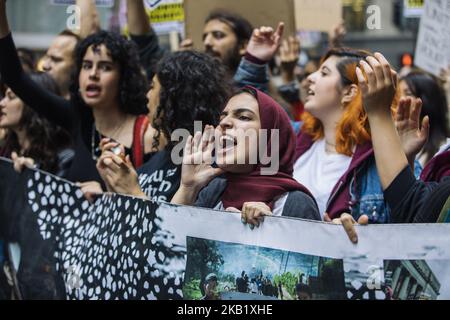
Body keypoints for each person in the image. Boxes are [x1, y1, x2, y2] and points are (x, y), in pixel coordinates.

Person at [0, 1, 151, 186]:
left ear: (124, 78)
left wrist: (105, 197)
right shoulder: (80, 119)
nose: (93, 74)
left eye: (105, 67)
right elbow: (16, 79)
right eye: (87, 66)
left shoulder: (146, 133)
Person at [293, 47, 420, 223]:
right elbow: (254, 118)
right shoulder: (295, 135)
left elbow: (413, 218)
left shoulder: (385, 158)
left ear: (349, 92)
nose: (310, 78)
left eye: (324, 73)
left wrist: (358, 232)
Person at [94, 50, 232, 202]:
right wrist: (114, 182)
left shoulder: (208, 164)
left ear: (173, 97)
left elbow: (184, 224)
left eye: (153, 87)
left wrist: (134, 192)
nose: (147, 95)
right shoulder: (163, 156)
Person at [171, 87, 320, 226]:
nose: (224, 122)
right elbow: (167, 245)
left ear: (270, 138)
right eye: (222, 117)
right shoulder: (215, 190)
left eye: (243, 117)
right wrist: (187, 188)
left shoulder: (296, 204)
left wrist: (271, 228)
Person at [0, 72, 73, 175]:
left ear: (33, 102)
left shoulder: (64, 158)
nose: (2, 103)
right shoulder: (7, 150)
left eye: (11, 97)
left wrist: (34, 172)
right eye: (4, 97)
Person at [399, 71, 449, 166]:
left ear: (427, 100)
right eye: (398, 93)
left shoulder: (443, 152)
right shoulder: (392, 139)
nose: (401, 99)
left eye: (408, 93)